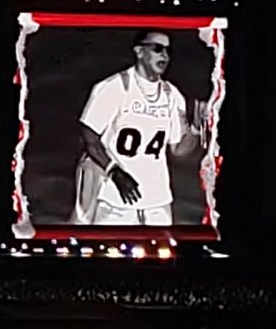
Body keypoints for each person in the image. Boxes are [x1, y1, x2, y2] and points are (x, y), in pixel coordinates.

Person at [73, 29, 204, 226]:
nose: (164, 55)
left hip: (157, 201)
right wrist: (114, 172)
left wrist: (195, 128)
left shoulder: (172, 95)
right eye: (157, 49)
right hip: (115, 199)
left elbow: (178, 150)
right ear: (139, 51)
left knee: (163, 246)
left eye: (168, 51)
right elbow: (89, 137)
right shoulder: (114, 87)